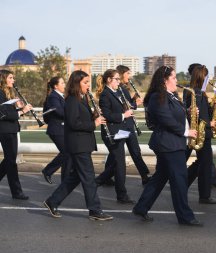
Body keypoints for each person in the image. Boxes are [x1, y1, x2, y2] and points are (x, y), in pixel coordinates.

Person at [133, 66, 202, 226]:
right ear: (165, 80)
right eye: (174, 77)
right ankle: (185, 217)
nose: (177, 80)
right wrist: (186, 132)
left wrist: (189, 111)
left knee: (160, 178)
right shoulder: (158, 97)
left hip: (171, 143)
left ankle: (141, 207)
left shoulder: (170, 96)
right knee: (179, 180)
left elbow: (174, 115)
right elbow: (165, 119)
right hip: (168, 144)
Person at [43, 70, 113, 221]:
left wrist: (94, 115)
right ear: (76, 83)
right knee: (88, 178)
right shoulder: (72, 100)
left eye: (89, 82)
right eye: (85, 82)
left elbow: (81, 118)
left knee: (75, 177)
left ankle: (52, 201)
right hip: (78, 144)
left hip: (82, 143)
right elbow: (74, 123)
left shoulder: (81, 98)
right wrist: (94, 123)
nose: (88, 85)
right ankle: (95, 210)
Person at [95, 65, 151, 187]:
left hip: (126, 126)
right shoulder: (111, 92)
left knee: (128, 153)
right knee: (119, 158)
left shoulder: (121, 90)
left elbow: (127, 106)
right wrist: (129, 109)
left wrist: (134, 103)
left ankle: (144, 176)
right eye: (127, 74)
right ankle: (103, 180)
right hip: (121, 127)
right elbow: (119, 111)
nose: (128, 77)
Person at [95, 69, 135, 204]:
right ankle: (121, 195)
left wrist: (130, 108)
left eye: (119, 79)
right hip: (112, 133)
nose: (119, 81)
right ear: (109, 80)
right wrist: (124, 115)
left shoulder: (118, 92)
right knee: (120, 163)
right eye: (116, 79)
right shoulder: (105, 95)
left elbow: (124, 107)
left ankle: (97, 181)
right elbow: (107, 115)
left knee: (116, 163)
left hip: (121, 130)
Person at [185, 63, 216, 189]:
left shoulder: (200, 93)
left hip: (204, 132)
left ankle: (185, 184)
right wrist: (209, 123)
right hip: (202, 132)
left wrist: (213, 107)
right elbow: (194, 116)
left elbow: (203, 112)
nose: (209, 79)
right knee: (204, 164)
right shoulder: (196, 94)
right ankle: (202, 193)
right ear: (201, 77)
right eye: (207, 76)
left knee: (203, 163)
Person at [0, 69, 33, 200]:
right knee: (11, 161)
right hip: (5, 130)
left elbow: (9, 111)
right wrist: (21, 111)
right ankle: (17, 192)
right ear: (3, 79)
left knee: (9, 160)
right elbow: (3, 114)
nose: (13, 80)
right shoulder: (0, 93)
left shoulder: (8, 93)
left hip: (11, 129)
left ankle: (16, 192)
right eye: (10, 78)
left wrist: (20, 108)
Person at [41, 76, 68, 184]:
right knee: (67, 152)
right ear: (56, 86)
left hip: (62, 129)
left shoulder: (60, 96)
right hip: (57, 130)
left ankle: (66, 180)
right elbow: (59, 112)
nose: (64, 85)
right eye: (62, 83)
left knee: (68, 154)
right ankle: (48, 170)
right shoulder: (53, 97)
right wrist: (73, 114)